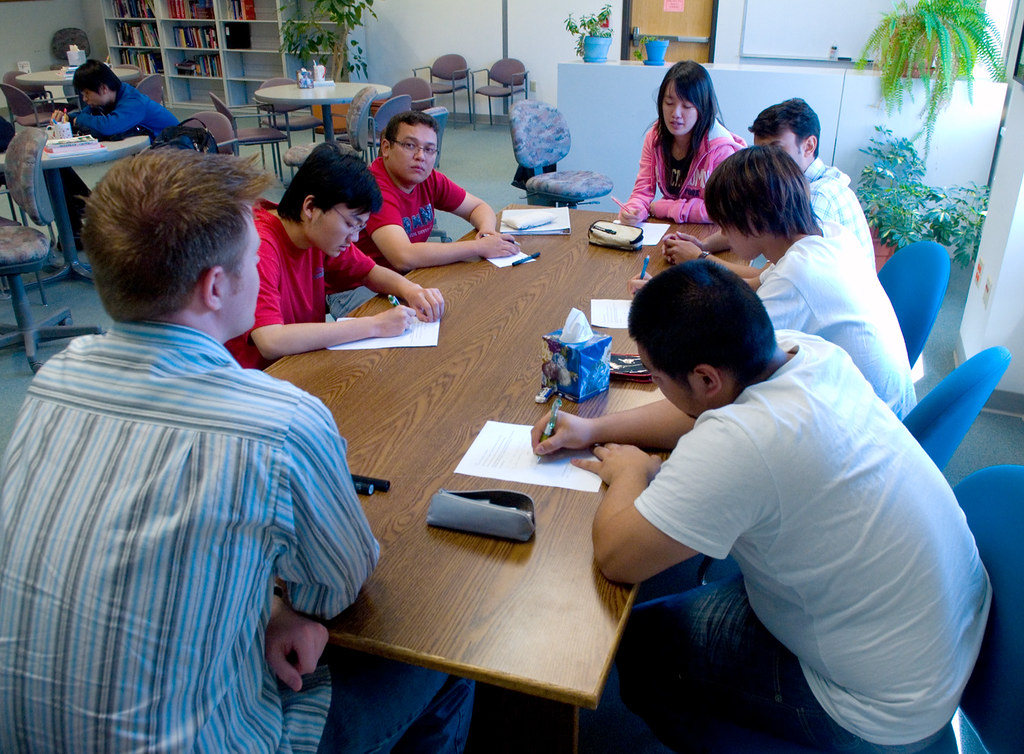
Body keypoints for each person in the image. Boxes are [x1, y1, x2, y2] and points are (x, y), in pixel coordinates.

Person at [0, 149, 473, 753]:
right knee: (448, 647)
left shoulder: (54, 381)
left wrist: (267, 609)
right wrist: (280, 602)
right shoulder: (279, 422)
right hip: (209, 740)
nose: (261, 265)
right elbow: (335, 591)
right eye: (253, 258)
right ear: (216, 286)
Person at [533, 261, 990, 752]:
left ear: (706, 378)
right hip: (936, 635)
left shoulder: (742, 441)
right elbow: (695, 411)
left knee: (642, 648)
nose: (660, 387)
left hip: (878, 706)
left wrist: (630, 473)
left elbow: (617, 556)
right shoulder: (804, 353)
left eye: (659, 377)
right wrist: (594, 429)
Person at [633, 146, 916, 417]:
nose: (723, 234)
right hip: (881, 408)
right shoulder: (827, 235)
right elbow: (753, 287)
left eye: (725, 224)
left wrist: (662, 317)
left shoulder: (798, 275)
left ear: (753, 220)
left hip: (866, 419)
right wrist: (667, 298)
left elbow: (721, 367)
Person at [225, 142, 444, 370]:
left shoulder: (317, 234)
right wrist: (375, 325)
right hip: (263, 375)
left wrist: (411, 290)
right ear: (311, 207)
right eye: (350, 224)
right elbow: (270, 341)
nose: (354, 238)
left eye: (360, 228)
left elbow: (369, 272)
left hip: (302, 362)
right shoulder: (258, 246)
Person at [662, 97, 874, 271]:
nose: (764, 162)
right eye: (760, 151)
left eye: (775, 150)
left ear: (809, 146)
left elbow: (768, 277)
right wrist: (705, 244)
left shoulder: (818, 199)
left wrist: (700, 258)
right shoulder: (797, 186)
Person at [344, 110, 517, 279]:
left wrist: (487, 232)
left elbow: (477, 207)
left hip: (407, 275)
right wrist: (478, 247)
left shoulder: (428, 178)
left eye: (429, 149)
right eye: (410, 145)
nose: (421, 156)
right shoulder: (373, 187)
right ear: (386, 148)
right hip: (360, 283)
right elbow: (403, 257)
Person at [616, 61, 745, 226]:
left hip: (709, 231)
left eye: (687, 106)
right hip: (672, 228)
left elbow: (721, 210)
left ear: (702, 108)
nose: (676, 113)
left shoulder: (721, 149)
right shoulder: (655, 138)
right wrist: (634, 210)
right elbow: (642, 192)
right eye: (669, 103)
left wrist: (666, 208)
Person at [70, 59, 178, 140]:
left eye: (87, 93)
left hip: (173, 150)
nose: (84, 99)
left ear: (103, 89)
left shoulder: (133, 102)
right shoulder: (113, 96)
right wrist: (68, 118)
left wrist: (78, 120)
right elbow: (85, 115)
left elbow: (109, 126)